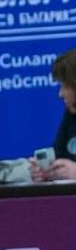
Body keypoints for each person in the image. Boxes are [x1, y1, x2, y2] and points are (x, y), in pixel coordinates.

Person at [31, 48, 76, 182]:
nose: (60, 94)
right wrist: (48, 170)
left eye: (66, 86)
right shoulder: (72, 114)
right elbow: (60, 155)